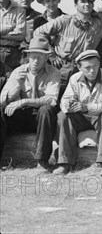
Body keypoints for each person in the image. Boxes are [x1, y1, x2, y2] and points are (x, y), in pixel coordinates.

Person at [0, 36, 60, 173]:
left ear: (46, 58)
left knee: (46, 110)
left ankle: (42, 161)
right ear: (28, 56)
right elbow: (3, 100)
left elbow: (52, 100)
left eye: (40, 57)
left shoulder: (53, 73)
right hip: (21, 117)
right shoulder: (18, 71)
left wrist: (24, 101)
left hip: (41, 119)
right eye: (33, 57)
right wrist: (17, 87)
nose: (35, 61)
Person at [53, 50, 102, 175]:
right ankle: (65, 163)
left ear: (99, 64)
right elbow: (64, 100)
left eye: (95, 66)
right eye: (87, 68)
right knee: (62, 116)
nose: (92, 71)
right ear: (79, 67)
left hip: (99, 118)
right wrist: (69, 105)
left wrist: (86, 107)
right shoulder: (74, 78)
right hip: (81, 119)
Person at [0, 0, 26, 82]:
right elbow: (15, 32)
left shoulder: (19, 10)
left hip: (12, 53)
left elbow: (20, 34)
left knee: (11, 82)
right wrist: (10, 27)